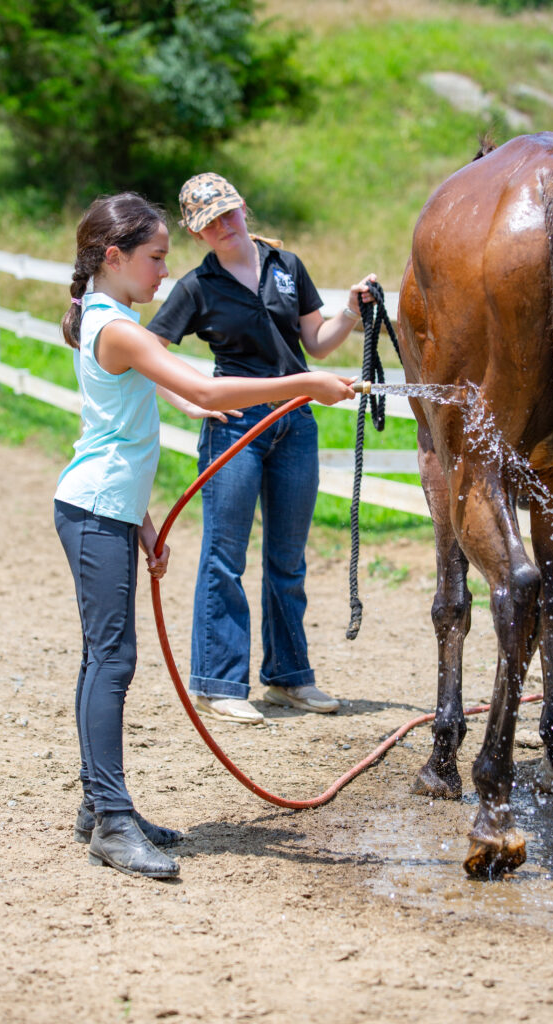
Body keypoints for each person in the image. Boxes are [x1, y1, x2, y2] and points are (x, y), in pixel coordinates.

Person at [54, 191, 355, 880]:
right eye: (155, 257)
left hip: (105, 508)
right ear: (113, 256)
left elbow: (116, 435)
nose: (165, 271)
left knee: (102, 658)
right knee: (112, 660)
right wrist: (301, 383)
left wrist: (143, 522)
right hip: (94, 509)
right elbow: (209, 393)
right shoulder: (118, 327)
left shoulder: (112, 317)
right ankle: (113, 820)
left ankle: (99, 803)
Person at [148, 173, 376, 726]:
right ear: (196, 233)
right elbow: (149, 352)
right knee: (225, 555)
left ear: (243, 207)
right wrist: (187, 403)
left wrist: (348, 310)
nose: (224, 227)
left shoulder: (287, 266)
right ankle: (218, 682)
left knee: (288, 558)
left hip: (294, 422)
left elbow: (315, 341)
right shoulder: (196, 286)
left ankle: (288, 678)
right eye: (210, 223)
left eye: (228, 214)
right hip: (235, 423)